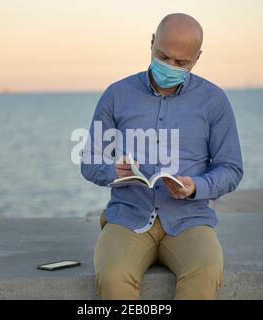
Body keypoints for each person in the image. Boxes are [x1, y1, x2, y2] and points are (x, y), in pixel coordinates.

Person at [80, 13, 243, 300]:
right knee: (113, 275)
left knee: (205, 271)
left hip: (190, 219)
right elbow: (90, 160)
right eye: (163, 56)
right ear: (152, 42)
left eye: (182, 63)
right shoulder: (116, 95)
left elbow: (230, 168)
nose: (170, 67)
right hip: (128, 216)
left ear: (197, 58)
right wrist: (114, 171)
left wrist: (196, 187)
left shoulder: (214, 101)